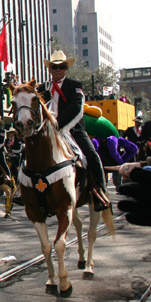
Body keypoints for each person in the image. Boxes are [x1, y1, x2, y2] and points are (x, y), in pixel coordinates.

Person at [37, 50, 109, 211]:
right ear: (50, 69)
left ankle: (99, 192)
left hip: (73, 130)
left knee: (92, 156)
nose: (58, 70)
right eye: (54, 67)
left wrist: (59, 125)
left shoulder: (75, 86)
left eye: (61, 67)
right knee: (28, 154)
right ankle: (24, 190)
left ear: (66, 69)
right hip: (48, 132)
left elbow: (76, 109)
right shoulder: (42, 88)